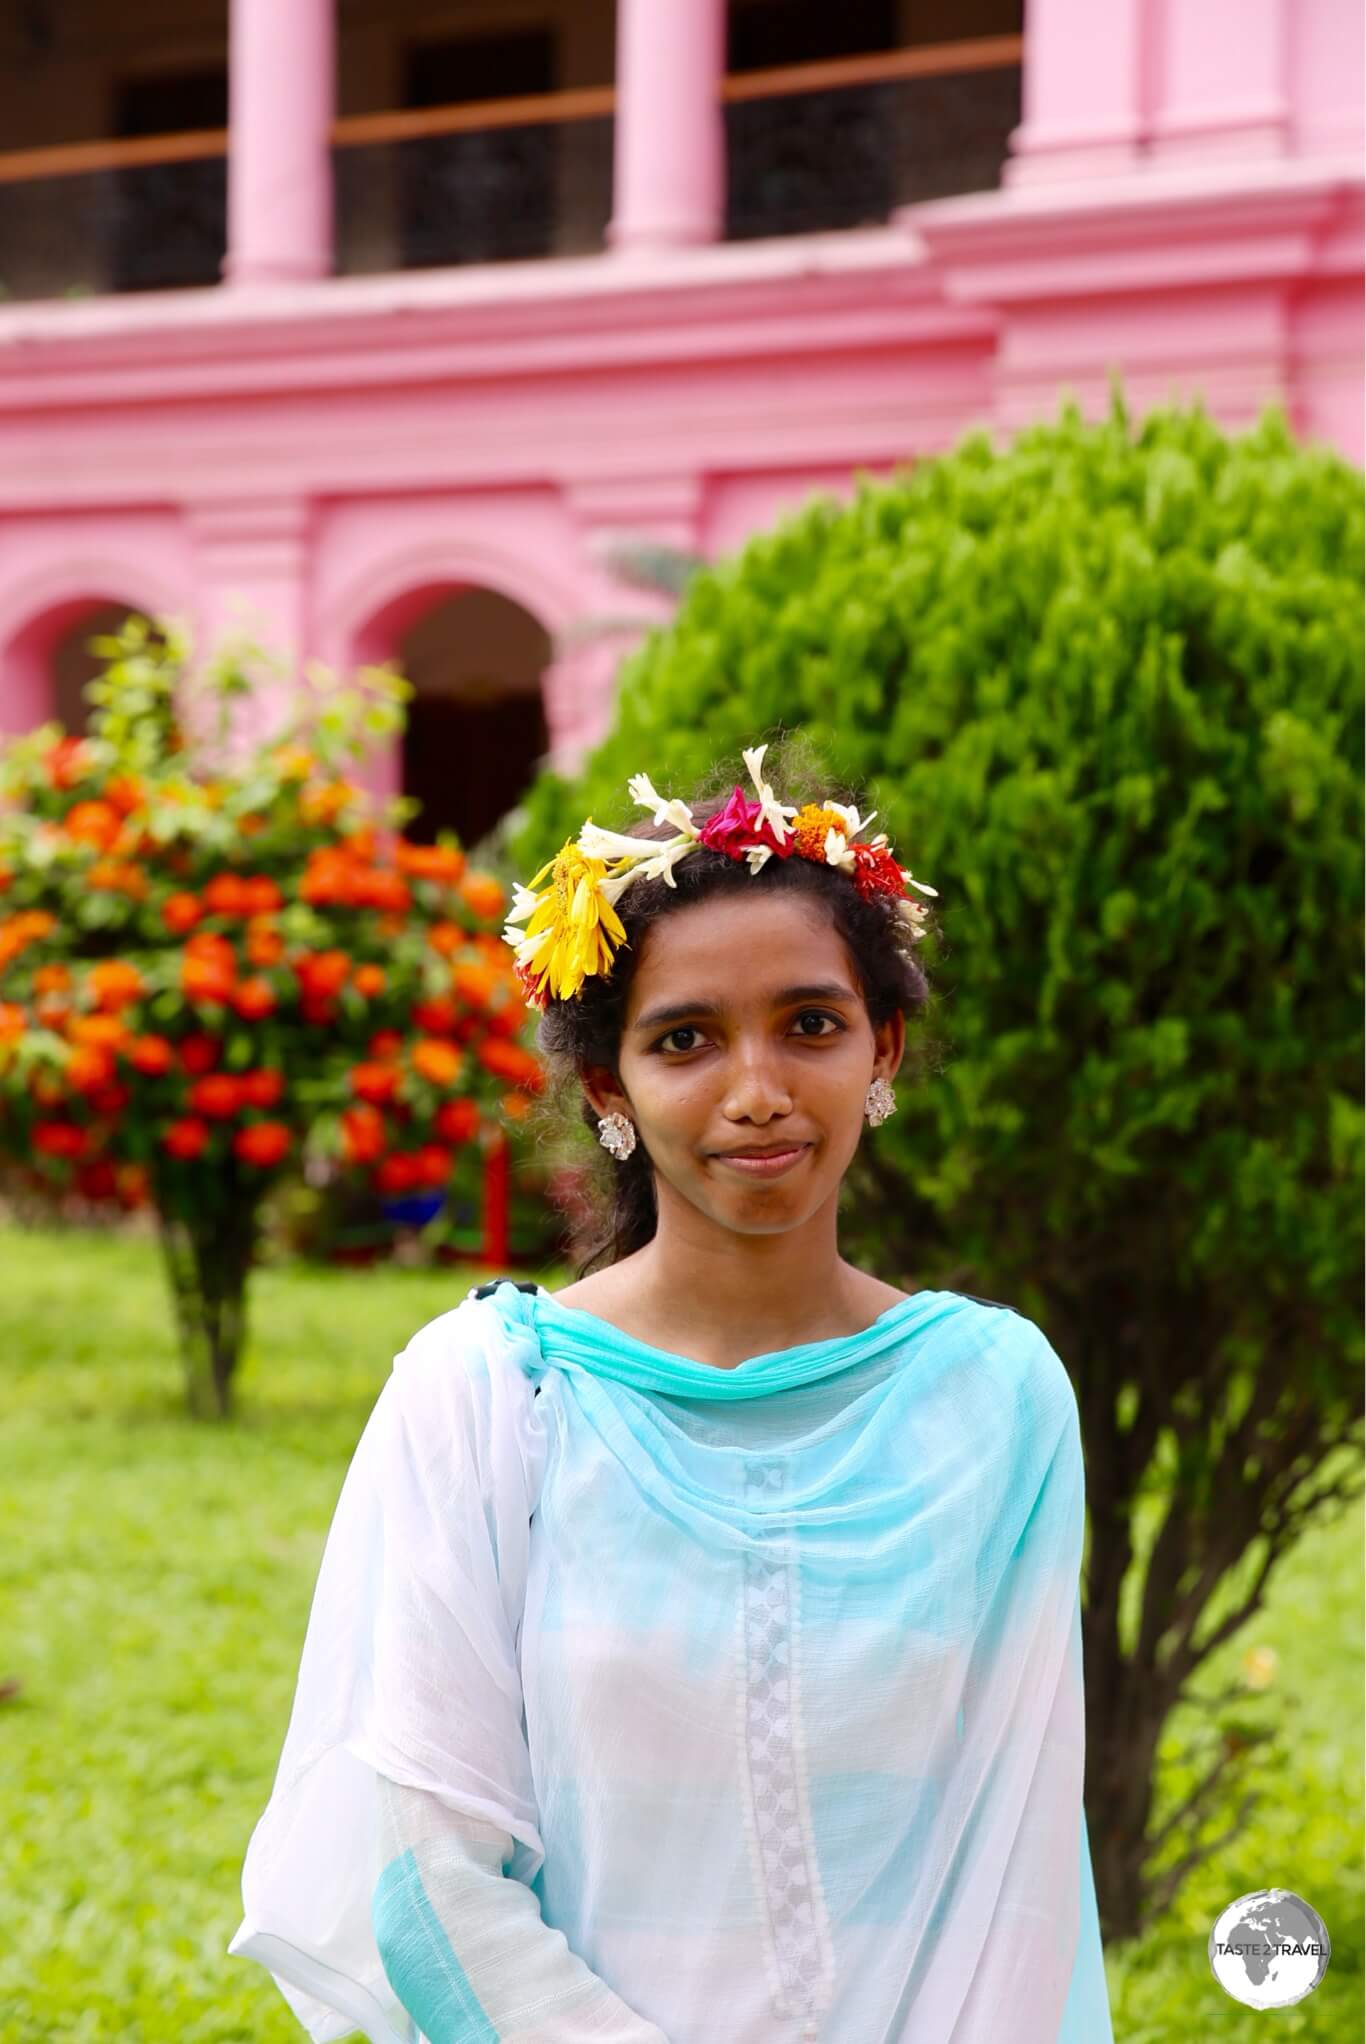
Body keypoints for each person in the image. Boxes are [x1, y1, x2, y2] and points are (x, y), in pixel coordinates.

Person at [228, 735, 1114, 2043]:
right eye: (686, 1040)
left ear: (883, 1050)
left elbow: (1016, 1866)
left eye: (809, 1024)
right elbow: (427, 1879)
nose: (757, 1093)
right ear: (609, 1088)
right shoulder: (486, 1397)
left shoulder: (991, 1398)